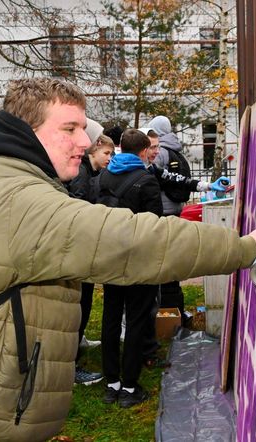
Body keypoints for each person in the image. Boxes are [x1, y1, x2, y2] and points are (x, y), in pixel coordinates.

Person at [0, 78, 256, 442]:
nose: (84, 140)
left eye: (83, 128)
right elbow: (133, 241)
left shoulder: (8, 188)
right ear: (27, 132)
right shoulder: (23, 203)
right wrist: (245, 247)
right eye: (69, 128)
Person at [98, 128, 163, 407]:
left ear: (120, 147)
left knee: (111, 319)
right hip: (138, 260)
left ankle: (111, 381)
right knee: (136, 320)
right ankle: (129, 385)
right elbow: (155, 225)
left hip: (110, 256)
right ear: (143, 151)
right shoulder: (146, 181)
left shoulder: (103, 176)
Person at [66, 133, 115, 386]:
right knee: (79, 306)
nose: (109, 158)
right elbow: (78, 210)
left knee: (84, 304)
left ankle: (78, 344)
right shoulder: (82, 175)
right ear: (94, 150)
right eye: (106, 153)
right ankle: (72, 367)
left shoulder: (92, 173)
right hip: (79, 250)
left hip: (85, 249)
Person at [147, 115, 199, 322]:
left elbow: (153, 178)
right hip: (176, 207)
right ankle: (175, 306)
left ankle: (166, 308)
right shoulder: (175, 147)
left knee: (162, 259)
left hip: (161, 209)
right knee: (172, 255)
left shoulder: (160, 152)